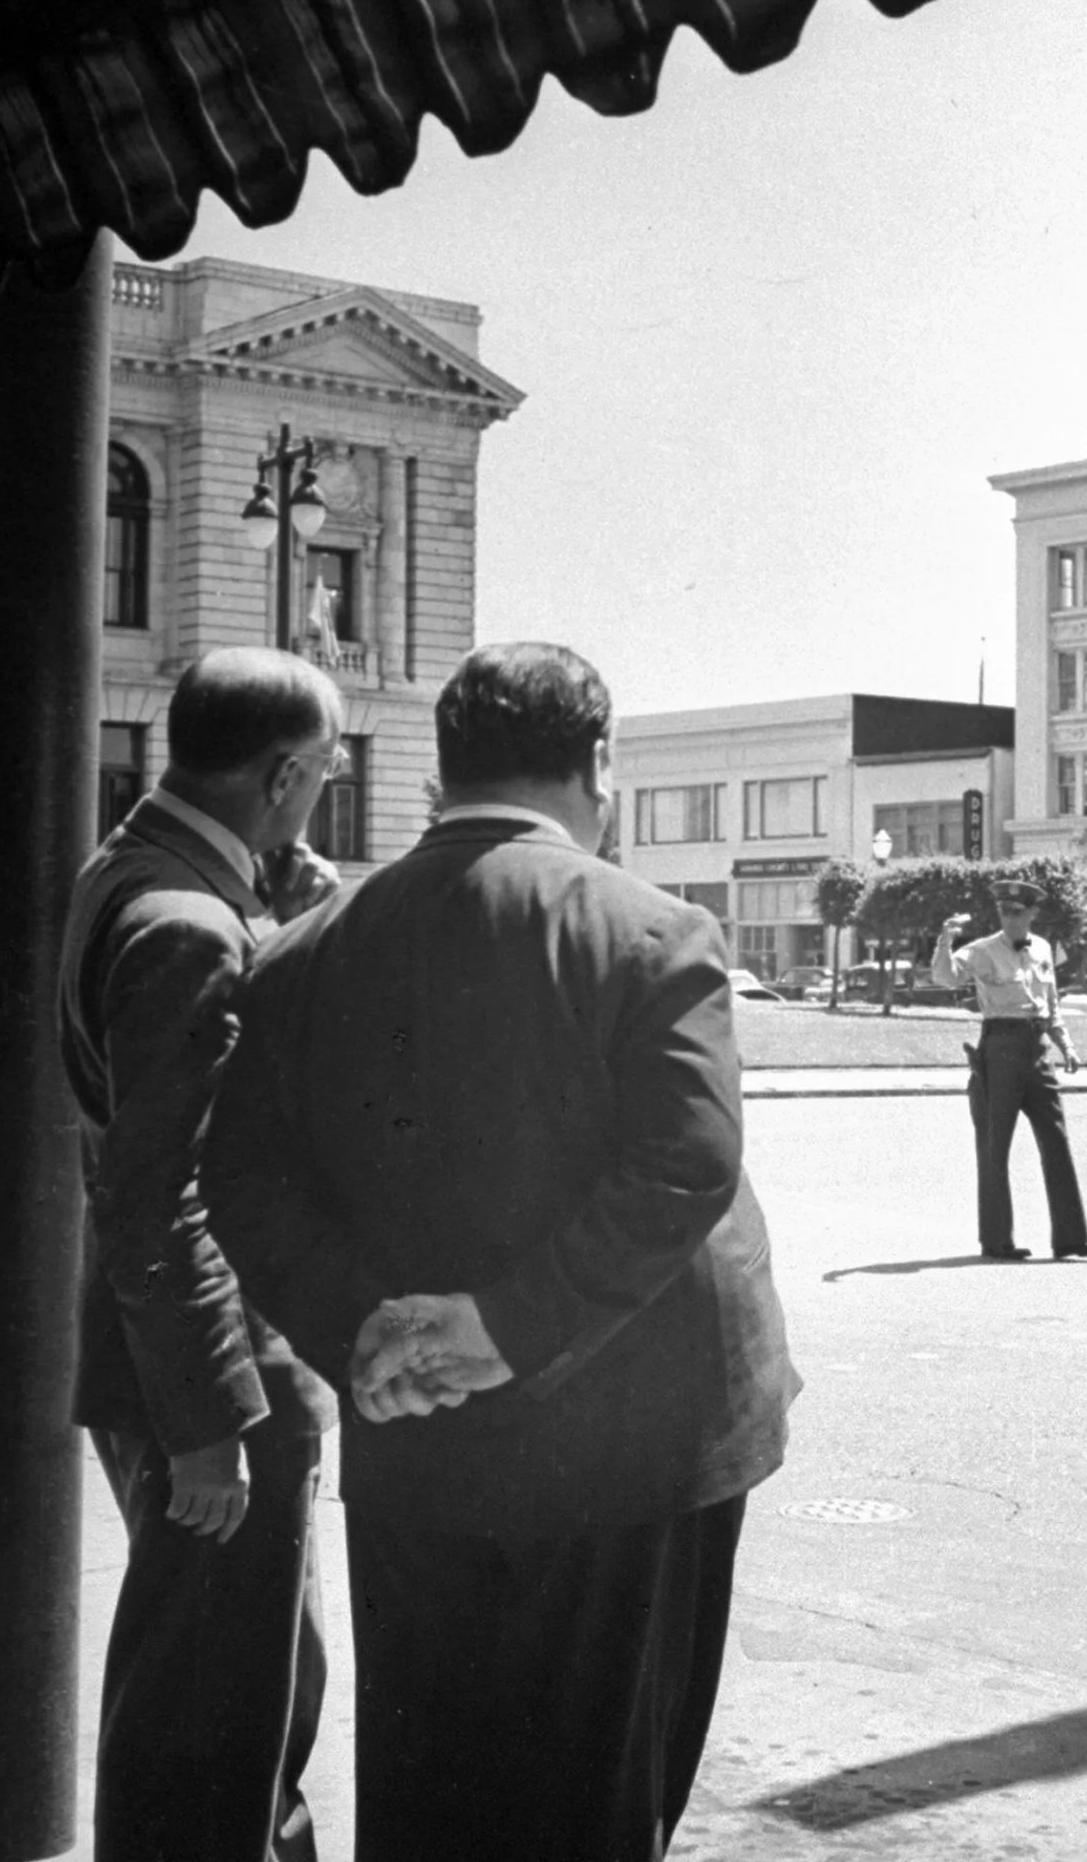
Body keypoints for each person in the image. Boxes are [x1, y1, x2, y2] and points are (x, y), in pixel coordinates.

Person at [202, 640, 798, 1862]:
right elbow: (686, 1166)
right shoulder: (655, 930)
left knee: (434, 1780)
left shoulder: (305, 948)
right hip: (635, 1444)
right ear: (598, 765)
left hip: (416, 1435)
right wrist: (505, 1328)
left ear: (442, 767)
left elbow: (243, 1182)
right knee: (602, 1791)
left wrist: (374, 1332)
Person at [57, 647, 346, 1862]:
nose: (324, 795)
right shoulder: (190, 925)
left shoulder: (138, 868)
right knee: (209, 1718)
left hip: (181, 1365)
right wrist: (209, 1424)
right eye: (323, 774)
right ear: (285, 774)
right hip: (219, 1377)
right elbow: (156, 1196)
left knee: (265, 1677)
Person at [933, 882, 1087, 1263]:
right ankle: (997, 1241)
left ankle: (1071, 1238)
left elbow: (1052, 1003)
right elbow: (946, 977)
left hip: (1038, 1050)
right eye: (1004, 911)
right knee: (995, 1145)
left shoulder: (1041, 948)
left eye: (1017, 912)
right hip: (1001, 1048)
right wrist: (945, 941)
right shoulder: (982, 951)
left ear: (1030, 915)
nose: (1009, 918)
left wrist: (1066, 1045)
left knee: (1056, 1141)